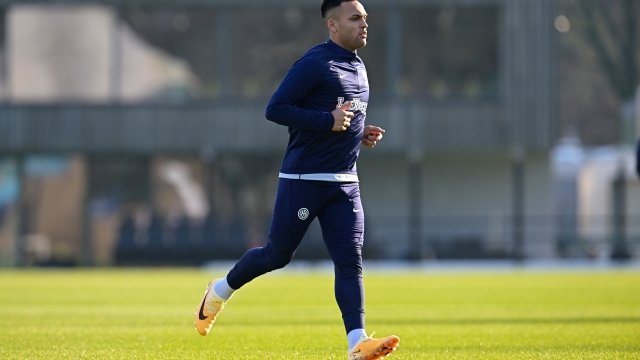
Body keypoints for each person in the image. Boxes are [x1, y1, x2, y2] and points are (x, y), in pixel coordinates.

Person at [194, 1, 400, 359]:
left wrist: (357, 131)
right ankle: (219, 291)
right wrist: (327, 122)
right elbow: (276, 108)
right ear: (332, 25)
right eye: (355, 18)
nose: (364, 24)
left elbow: (340, 115)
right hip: (304, 178)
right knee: (277, 255)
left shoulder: (358, 66)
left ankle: (357, 343)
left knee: (350, 261)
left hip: (345, 183)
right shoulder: (315, 63)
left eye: (365, 18)